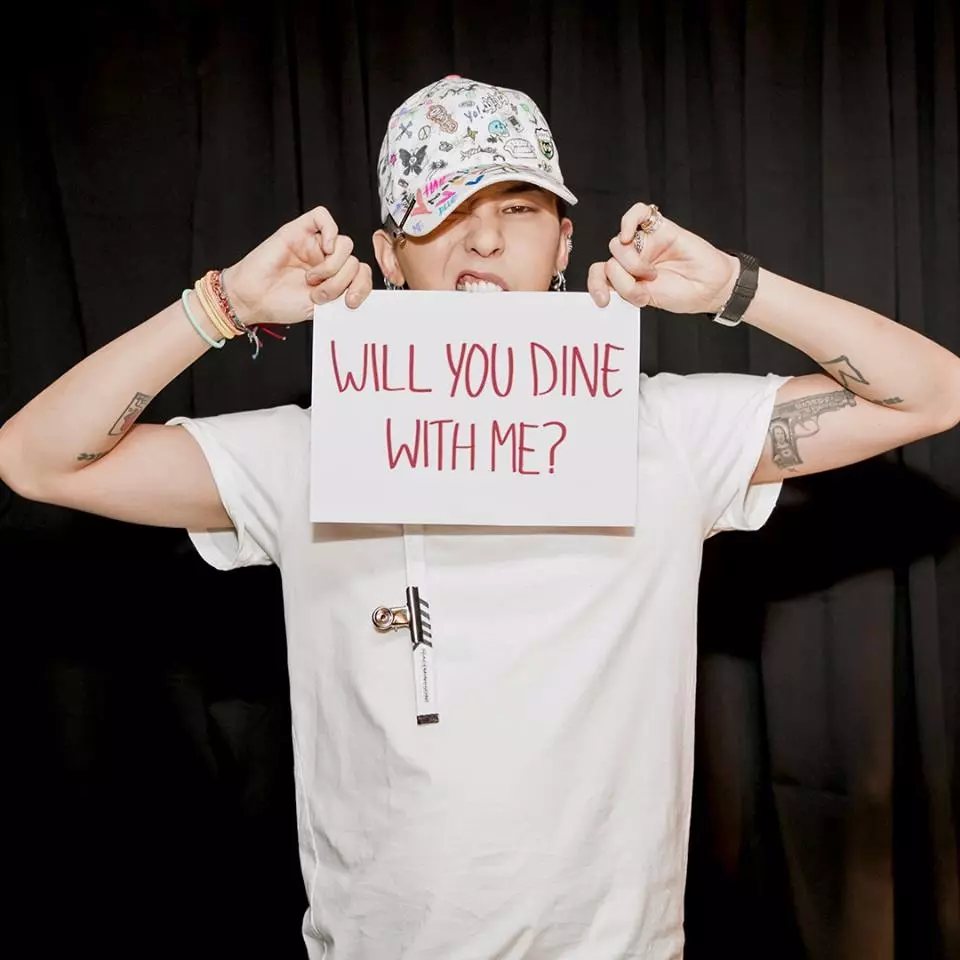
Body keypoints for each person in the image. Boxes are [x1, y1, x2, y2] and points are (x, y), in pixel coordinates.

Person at [2, 75, 958, 959]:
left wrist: (734, 291)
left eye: (517, 207)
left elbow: (932, 392)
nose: (485, 241)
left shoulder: (665, 431)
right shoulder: (310, 451)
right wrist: (224, 305)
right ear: (388, 254)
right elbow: (34, 457)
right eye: (443, 210)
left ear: (564, 244)